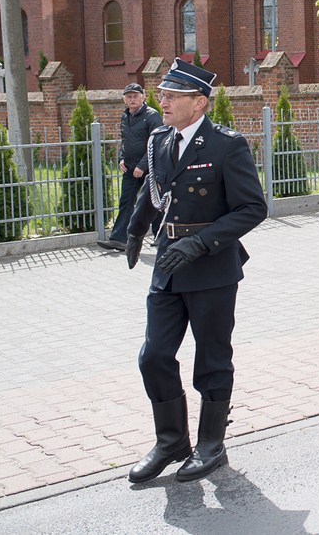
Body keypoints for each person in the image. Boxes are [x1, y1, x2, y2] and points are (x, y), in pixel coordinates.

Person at [123, 58, 267, 484]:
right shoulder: (159, 140)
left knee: (212, 359)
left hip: (211, 269)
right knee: (154, 355)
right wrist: (133, 232)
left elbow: (252, 208)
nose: (162, 101)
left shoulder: (227, 144)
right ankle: (171, 441)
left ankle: (211, 445)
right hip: (168, 265)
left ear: (199, 102)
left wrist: (200, 242)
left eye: (171, 96)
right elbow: (154, 193)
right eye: (162, 94)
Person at [99, 83, 163, 251]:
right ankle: (119, 239)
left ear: (143, 98)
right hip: (129, 169)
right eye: (129, 96)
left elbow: (156, 142)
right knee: (126, 202)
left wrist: (143, 165)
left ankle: (161, 236)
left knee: (154, 202)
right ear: (124, 100)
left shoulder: (152, 116)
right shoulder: (125, 116)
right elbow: (124, 141)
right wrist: (121, 158)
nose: (132, 99)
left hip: (150, 168)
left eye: (135, 96)